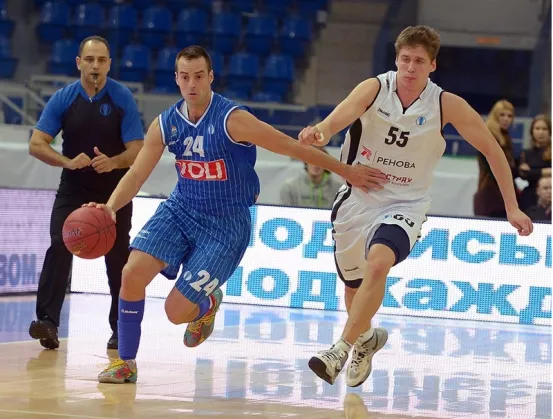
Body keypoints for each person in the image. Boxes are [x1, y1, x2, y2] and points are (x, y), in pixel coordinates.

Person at [85, 45, 387, 384]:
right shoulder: (165, 123)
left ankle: (207, 305)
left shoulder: (233, 119)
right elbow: (138, 173)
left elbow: (290, 146)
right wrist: (110, 207)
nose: (192, 84)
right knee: (131, 274)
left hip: (225, 225)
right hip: (180, 209)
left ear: (211, 77)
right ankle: (126, 362)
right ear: (177, 79)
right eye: (185, 77)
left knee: (175, 313)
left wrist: (346, 170)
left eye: (199, 76)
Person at [298, 25, 534, 387]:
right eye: (405, 59)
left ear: (432, 65)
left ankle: (339, 349)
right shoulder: (374, 88)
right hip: (358, 197)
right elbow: (337, 119)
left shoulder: (445, 104)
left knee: (379, 262)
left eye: (419, 61)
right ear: (396, 59)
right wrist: (321, 132)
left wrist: (512, 207)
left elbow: (493, 150)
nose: (410, 67)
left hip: (406, 202)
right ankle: (365, 339)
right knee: (354, 286)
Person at [28, 36, 144, 350]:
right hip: (74, 186)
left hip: (114, 190)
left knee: (118, 257)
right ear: (79, 62)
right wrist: (66, 161)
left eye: (101, 60)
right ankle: (47, 322)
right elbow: (36, 144)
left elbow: (138, 149)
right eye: (89, 59)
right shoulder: (64, 98)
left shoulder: (121, 97)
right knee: (59, 245)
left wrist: (114, 161)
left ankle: (120, 329)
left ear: (109, 64)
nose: (95, 65)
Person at [473, 99, 518, 218]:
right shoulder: (488, 136)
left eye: (510, 116)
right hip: (490, 194)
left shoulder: (505, 137)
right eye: (502, 115)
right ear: (495, 115)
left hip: (500, 194)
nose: (506, 119)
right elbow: (496, 169)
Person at [280, 147, 344, 208]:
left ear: (326, 164)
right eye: (312, 160)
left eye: (320, 161)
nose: (316, 165)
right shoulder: (290, 187)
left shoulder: (338, 188)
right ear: (305, 162)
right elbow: (285, 212)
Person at [518, 114, 552, 211]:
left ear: (550, 131)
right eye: (537, 128)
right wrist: (546, 171)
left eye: (544, 129)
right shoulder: (526, 153)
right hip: (530, 195)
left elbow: (530, 173)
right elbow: (524, 174)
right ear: (532, 131)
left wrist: (533, 171)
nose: (541, 132)